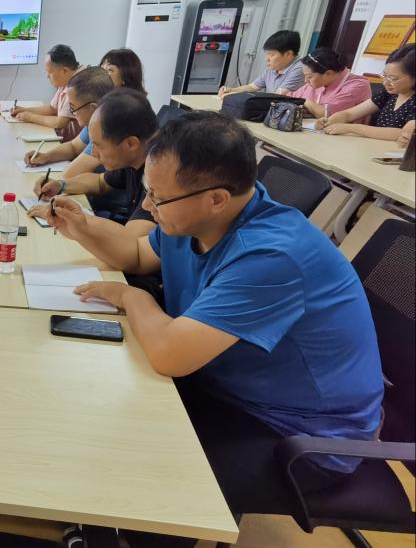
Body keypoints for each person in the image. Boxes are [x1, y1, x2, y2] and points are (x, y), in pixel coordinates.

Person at [47, 112, 383, 545]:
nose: (147, 206)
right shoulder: (196, 217)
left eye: (158, 198)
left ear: (217, 198)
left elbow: (169, 354)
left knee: (142, 475)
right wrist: (83, 229)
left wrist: (134, 298)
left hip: (299, 436)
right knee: (94, 409)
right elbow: (137, 256)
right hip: (229, 387)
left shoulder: (272, 255)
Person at [29, 89, 157, 231]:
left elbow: (132, 238)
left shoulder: (158, 176)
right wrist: (60, 186)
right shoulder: (133, 157)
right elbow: (100, 183)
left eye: (98, 145)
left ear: (131, 144)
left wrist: (65, 215)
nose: (93, 153)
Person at [318, 43, 415, 141]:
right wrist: (329, 121)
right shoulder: (389, 93)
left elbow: (406, 133)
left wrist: (350, 128)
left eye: (393, 78)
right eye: (384, 75)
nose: (385, 83)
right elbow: (349, 114)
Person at [10, 44, 83, 142]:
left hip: (73, 143)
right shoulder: (66, 80)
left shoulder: (76, 84)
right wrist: (24, 110)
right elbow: (52, 109)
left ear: (64, 71)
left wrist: (30, 117)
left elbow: (59, 123)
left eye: (49, 72)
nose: (47, 76)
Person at [289, 47, 371, 119]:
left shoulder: (358, 85)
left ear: (328, 73)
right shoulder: (317, 83)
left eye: (309, 77)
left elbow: (327, 116)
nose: (305, 81)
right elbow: (289, 98)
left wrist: (305, 102)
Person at [218, 30, 304, 97]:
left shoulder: (300, 68)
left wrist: (232, 96)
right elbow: (252, 87)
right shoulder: (275, 66)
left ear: (288, 54)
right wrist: (231, 90)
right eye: (266, 54)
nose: (267, 59)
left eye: (271, 55)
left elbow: (278, 96)